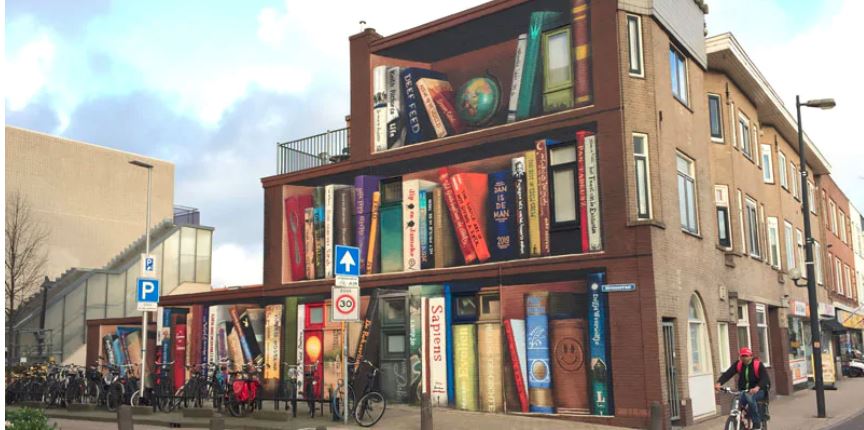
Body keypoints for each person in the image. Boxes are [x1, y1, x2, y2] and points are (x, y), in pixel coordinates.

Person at [715, 347, 770, 429]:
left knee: (750, 398)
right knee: (737, 399)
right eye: (742, 356)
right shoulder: (739, 364)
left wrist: (757, 387)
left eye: (746, 356)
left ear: (751, 356)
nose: (744, 358)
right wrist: (719, 383)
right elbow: (728, 373)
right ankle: (739, 419)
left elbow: (765, 378)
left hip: (759, 390)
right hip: (744, 390)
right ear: (740, 357)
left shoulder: (758, 365)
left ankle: (756, 423)